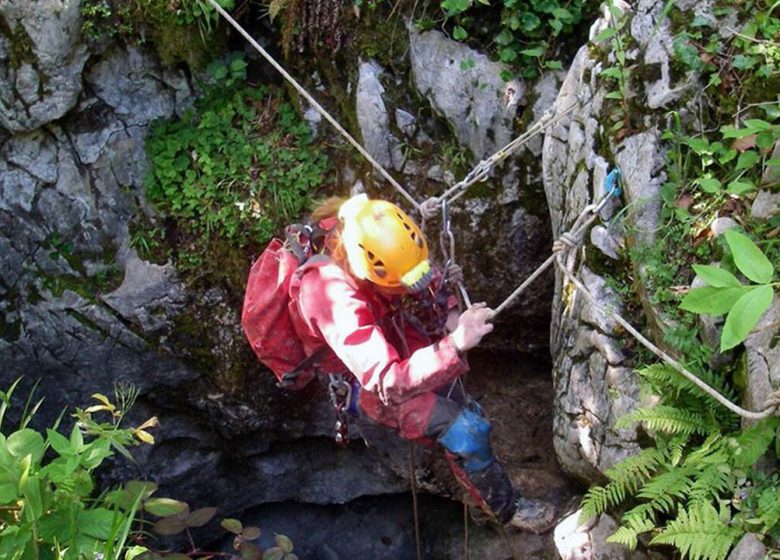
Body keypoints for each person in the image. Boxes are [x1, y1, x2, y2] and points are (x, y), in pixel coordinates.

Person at [286, 193, 556, 533]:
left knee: (467, 411)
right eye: (399, 284)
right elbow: (386, 380)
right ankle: (507, 510)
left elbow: (421, 274)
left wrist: (452, 314)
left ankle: (478, 497)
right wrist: (455, 344)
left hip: (389, 335)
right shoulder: (328, 296)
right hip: (367, 379)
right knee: (467, 432)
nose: (407, 287)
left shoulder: (367, 230)